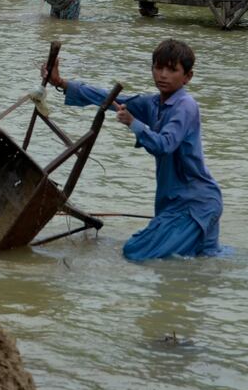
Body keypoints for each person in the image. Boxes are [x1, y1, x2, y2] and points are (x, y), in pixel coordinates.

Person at [44, 38, 223, 260]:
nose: (163, 75)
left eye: (172, 69)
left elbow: (164, 145)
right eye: (158, 68)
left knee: (135, 252)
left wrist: (133, 123)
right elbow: (109, 99)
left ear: (188, 77)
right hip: (179, 204)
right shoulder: (154, 104)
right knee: (206, 261)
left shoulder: (185, 106)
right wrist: (61, 83)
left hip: (194, 205)